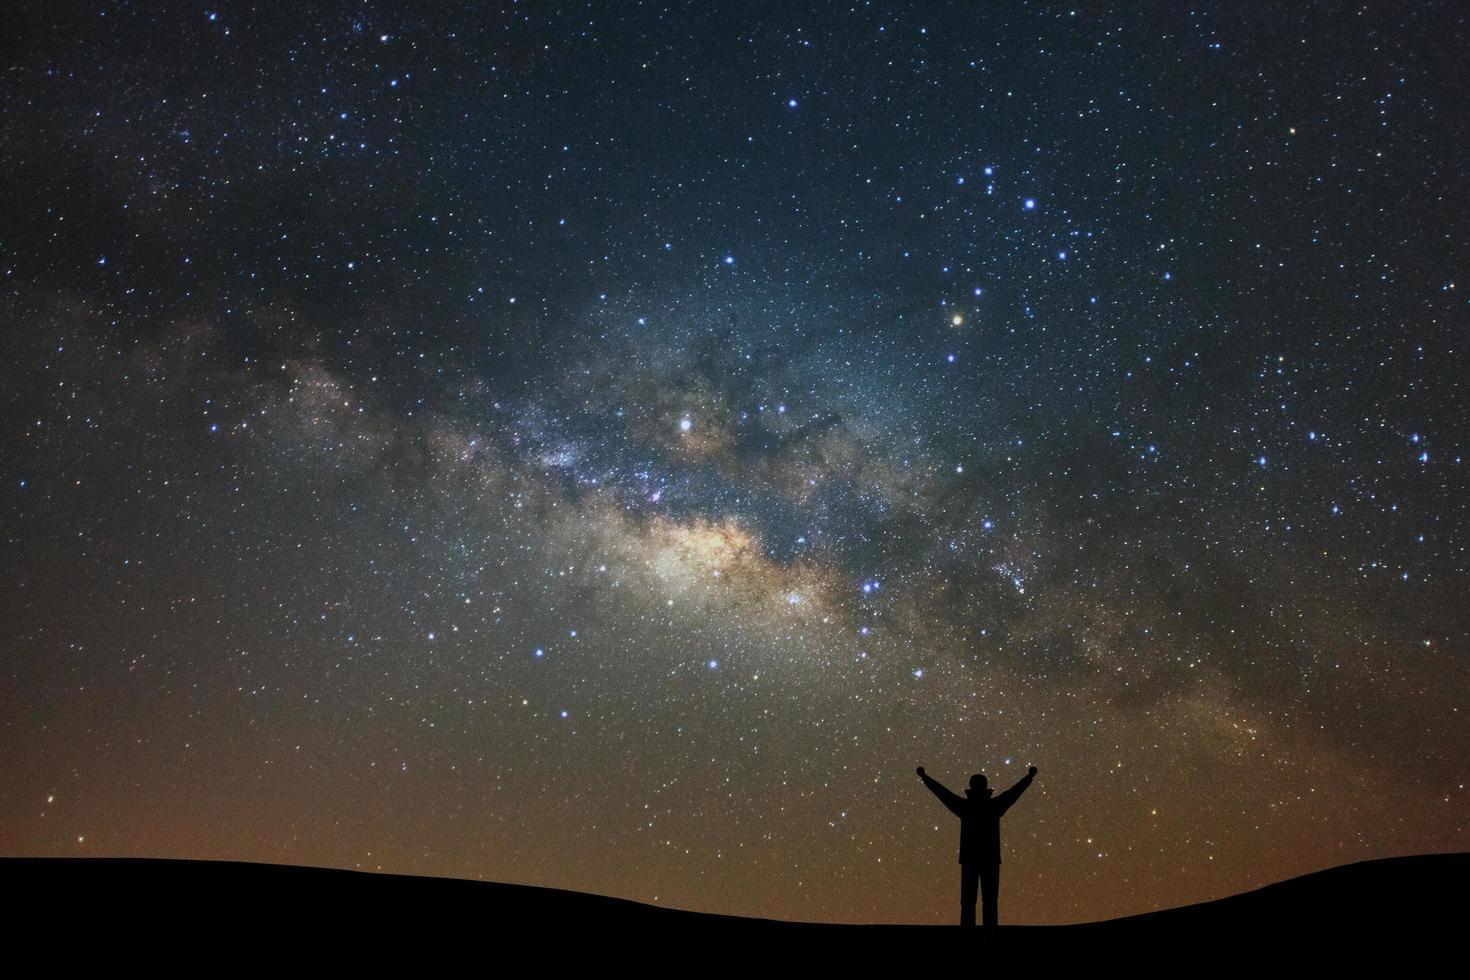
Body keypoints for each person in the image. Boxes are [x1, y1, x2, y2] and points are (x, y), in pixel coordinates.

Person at [917, 764, 1037, 927]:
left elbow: (943, 794)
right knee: (989, 900)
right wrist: (1028, 778)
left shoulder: (966, 807)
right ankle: (989, 930)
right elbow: (1013, 793)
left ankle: (969, 931)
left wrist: (926, 778)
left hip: (970, 858)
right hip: (989, 858)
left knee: (969, 900)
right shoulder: (994, 806)